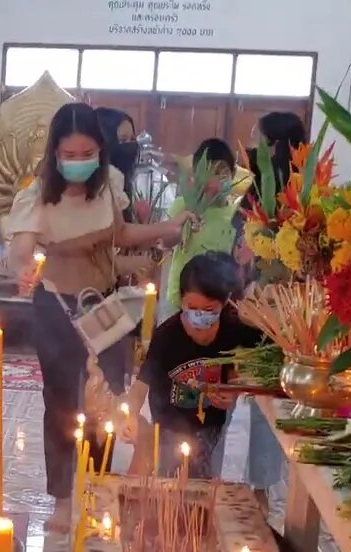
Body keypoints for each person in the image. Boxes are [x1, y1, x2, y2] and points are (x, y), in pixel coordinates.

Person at [7, 102, 195, 531]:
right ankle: (61, 500)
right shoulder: (36, 197)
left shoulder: (110, 185)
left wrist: (168, 228)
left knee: (107, 402)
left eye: (86, 153)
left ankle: (95, 487)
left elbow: (121, 235)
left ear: (100, 151)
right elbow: (21, 250)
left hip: (106, 306)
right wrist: (21, 265)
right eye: (68, 156)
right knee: (60, 403)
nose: (78, 163)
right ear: (55, 154)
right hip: (57, 306)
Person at [123, 252, 263, 480]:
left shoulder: (234, 328)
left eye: (209, 310)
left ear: (224, 303)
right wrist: (130, 416)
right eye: (192, 307)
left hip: (210, 426)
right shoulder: (167, 336)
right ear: (181, 300)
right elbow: (140, 385)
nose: (200, 317)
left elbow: (260, 361)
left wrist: (235, 386)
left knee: (203, 485)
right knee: (169, 485)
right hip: (168, 424)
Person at [165, 138, 237, 312]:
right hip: (180, 302)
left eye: (221, 172)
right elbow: (165, 244)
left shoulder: (238, 215)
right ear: (195, 175)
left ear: (233, 174)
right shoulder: (182, 207)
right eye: (207, 173)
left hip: (219, 305)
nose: (214, 181)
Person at [235, 112, 306, 276]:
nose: (249, 144)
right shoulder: (254, 173)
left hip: (268, 268)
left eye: (255, 138)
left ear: (272, 144)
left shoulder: (279, 182)